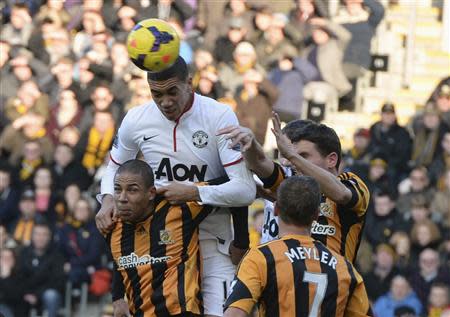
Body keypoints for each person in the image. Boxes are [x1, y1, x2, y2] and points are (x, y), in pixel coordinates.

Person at [95, 56, 256, 317]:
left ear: (189, 83)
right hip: (162, 244)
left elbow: (245, 189)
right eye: (156, 94)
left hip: (214, 240)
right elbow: (113, 168)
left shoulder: (219, 115)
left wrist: (195, 193)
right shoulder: (136, 119)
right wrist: (106, 199)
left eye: (172, 92)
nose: (165, 102)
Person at [218, 114, 370, 263]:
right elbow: (261, 162)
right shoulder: (292, 184)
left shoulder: (352, 184)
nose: (291, 163)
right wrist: (250, 144)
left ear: (331, 160)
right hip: (287, 282)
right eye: (293, 156)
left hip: (334, 285)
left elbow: (342, 195)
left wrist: (292, 155)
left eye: (304, 155)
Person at [223, 176, 371, 316]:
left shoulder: (260, 258)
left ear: (276, 209)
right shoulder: (344, 267)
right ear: (316, 215)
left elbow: (234, 313)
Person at [107, 159, 226, 316]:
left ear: (151, 193)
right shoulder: (110, 225)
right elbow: (119, 261)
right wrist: (117, 297)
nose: (122, 198)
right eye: (117, 190)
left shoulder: (179, 210)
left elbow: (232, 183)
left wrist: (241, 241)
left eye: (132, 190)